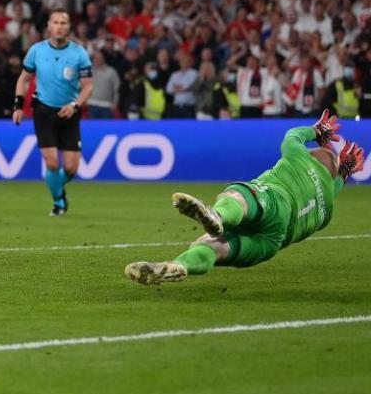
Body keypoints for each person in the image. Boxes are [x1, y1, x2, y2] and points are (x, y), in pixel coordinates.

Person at [125, 110, 363, 285]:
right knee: (214, 248)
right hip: (272, 242)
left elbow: (292, 135)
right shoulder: (327, 210)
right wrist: (344, 172)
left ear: (312, 156)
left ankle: (218, 214)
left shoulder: (298, 157)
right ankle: (180, 265)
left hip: (277, 202)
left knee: (239, 195)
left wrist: (317, 129)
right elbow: (334, 187)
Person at [12, 9, 93, 216]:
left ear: (69, 27)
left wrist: (75, 105)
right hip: (43, 111)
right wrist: (18, 106)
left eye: (63, 22)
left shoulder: (79, 53)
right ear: (49, 26)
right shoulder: (36, 51)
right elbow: (24, 79)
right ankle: (59, 201)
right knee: (52, 162)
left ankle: (56, 185)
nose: (59, 26)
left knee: (72, 168)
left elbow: (88, 86)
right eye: (55, 22)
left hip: (69, 113)